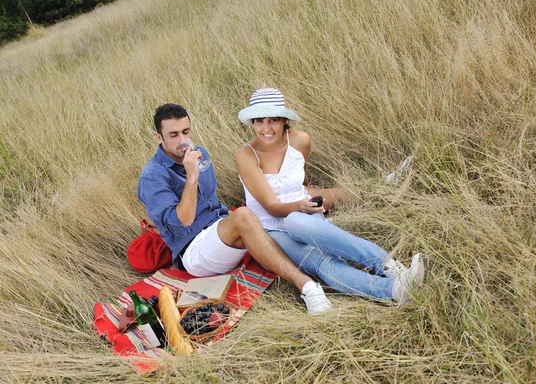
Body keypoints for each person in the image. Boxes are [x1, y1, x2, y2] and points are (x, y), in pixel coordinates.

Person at [137, 103, 332, 315]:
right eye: (173, 135)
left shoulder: (200, 152)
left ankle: (325, 255)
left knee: (264, 216)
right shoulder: (153, 176)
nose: (182, 140)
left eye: (186, 131)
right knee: (244, 216)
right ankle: (308, 287)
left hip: (219, 230)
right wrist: (191, 177)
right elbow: (182, 222)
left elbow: (212, 202)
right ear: (159, 137)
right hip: (194, 250)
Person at [235, 88, 426, 304]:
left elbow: (298, 177)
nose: (266, 128)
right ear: (252, 122)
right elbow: (271, 206)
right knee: (320, 260)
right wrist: (301, 204)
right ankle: (394, 290)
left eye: (273, 120)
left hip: (303, 216)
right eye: (259, 121)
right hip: (271, 227)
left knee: (297, 222)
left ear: (284, 121)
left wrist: (307, 195)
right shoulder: (246, 155)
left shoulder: (300, 141)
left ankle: (386, 264)